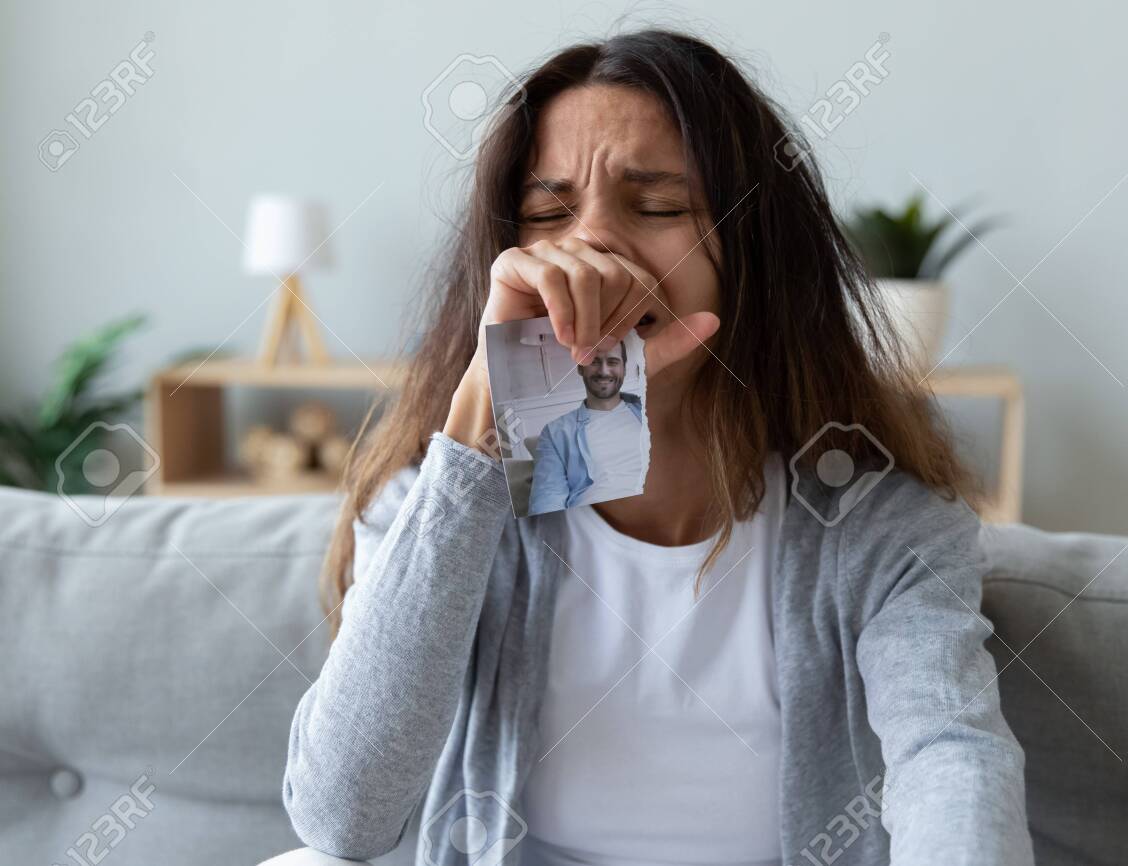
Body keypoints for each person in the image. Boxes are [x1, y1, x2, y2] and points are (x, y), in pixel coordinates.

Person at [283, 27, 1034, 866]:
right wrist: (485, 427)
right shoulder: (446, 507)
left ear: (751, 257)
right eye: (547, 213)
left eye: (659, 207)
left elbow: (952, 761)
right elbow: (343, 817)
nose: (592, 245)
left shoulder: (879, 530)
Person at [527, 340, 648, 514]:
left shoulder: (651, 410)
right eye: (594, 362)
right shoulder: (556, 432)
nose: (604, 371)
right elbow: (547, 499)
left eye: (613, 362)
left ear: (624, 368)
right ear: (580, 368)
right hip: (597, 521)